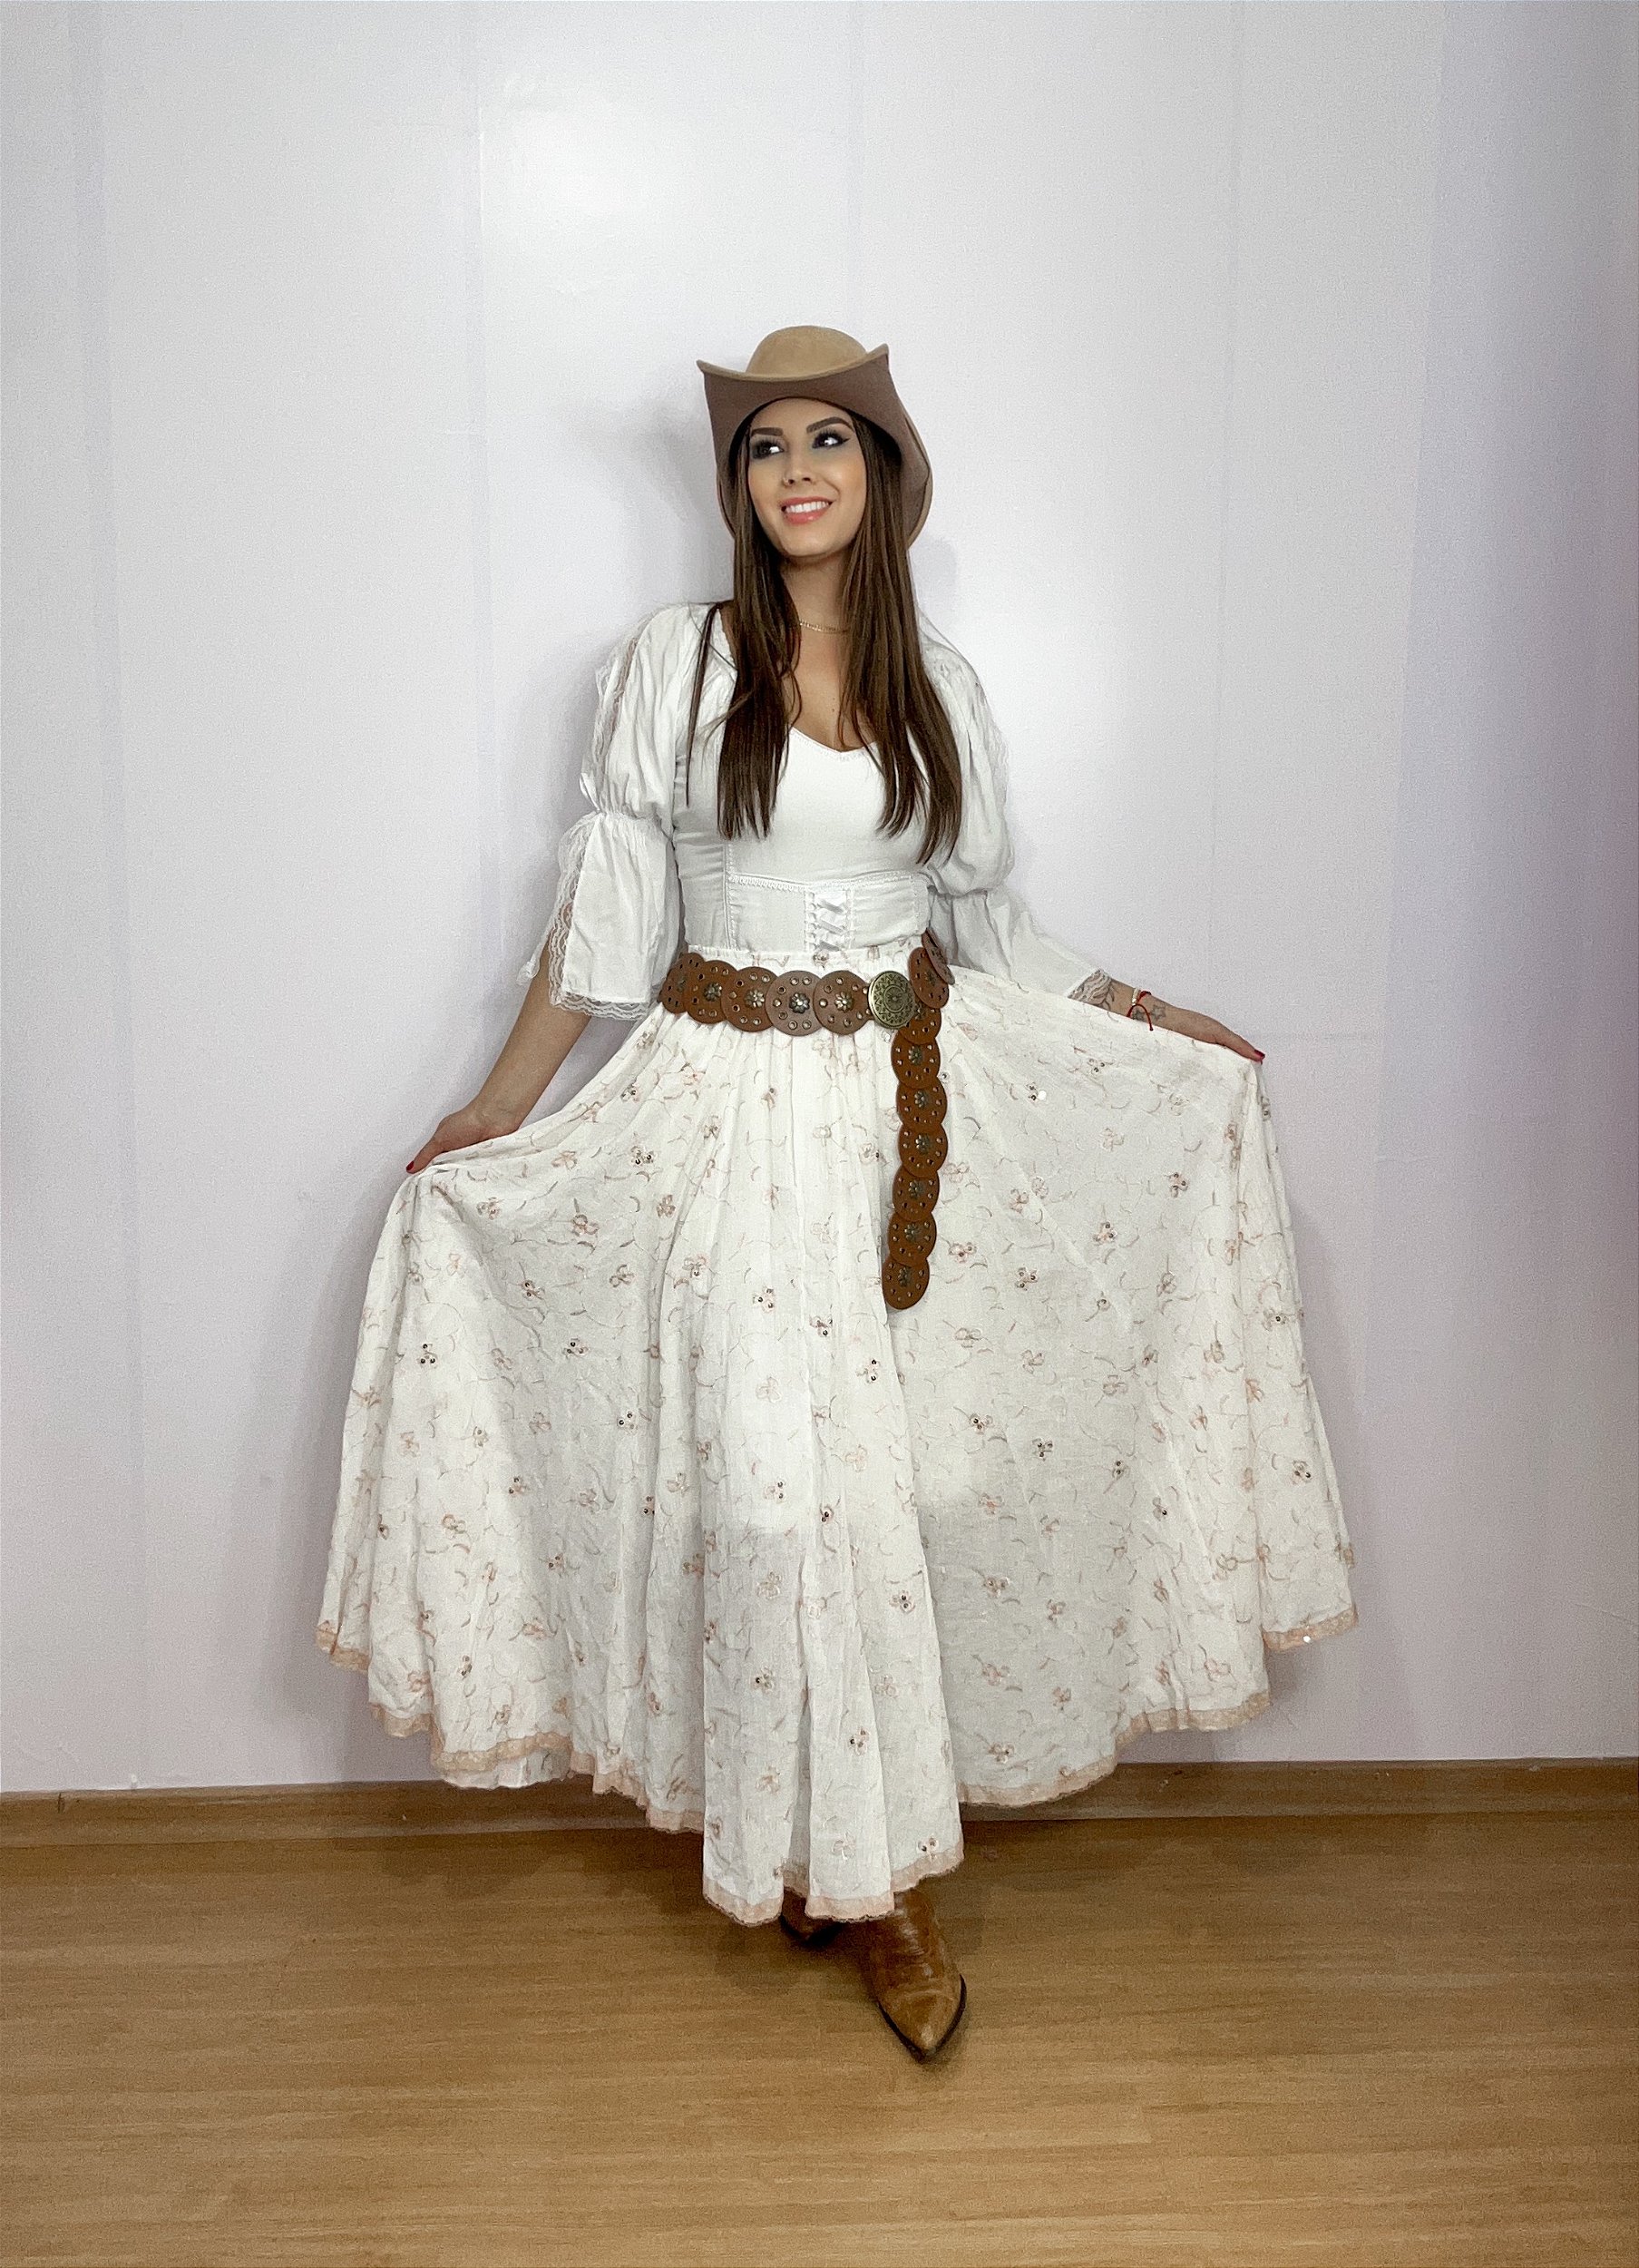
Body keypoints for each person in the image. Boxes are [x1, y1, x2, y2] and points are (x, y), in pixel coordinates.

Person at [317, 326, 1359, 2063]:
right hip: (721, 1118)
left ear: (883, 473)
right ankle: (834, 1857)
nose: (795, 470)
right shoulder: (677, 660)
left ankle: (870, 1869)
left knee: (903, 1493)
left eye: (829, 441)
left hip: (903, 1116)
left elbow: (988, 923)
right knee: (767, 1497)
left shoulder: (937, 680)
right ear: (737, 488)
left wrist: (1148, 1013)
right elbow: (609, 919)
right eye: (764, 447)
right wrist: (496, 1109)